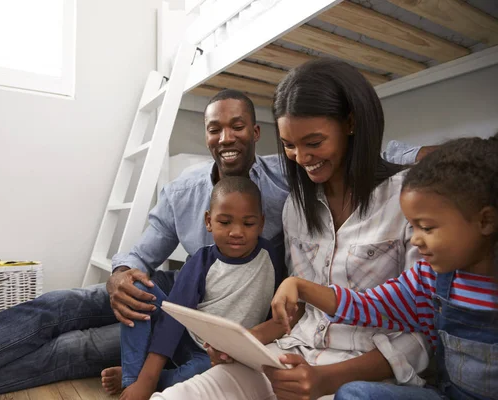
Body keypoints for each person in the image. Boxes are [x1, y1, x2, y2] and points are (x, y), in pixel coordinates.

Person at [0, 89, 422, 400]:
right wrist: (122, 276)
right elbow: (141, 253)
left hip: (223, 325)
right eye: (215, 128)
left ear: (256, 133)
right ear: (207, 134)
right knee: (56, 306)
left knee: (74, 351)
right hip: (167, 297)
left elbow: (368, 157)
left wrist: (442, 155)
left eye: (237, 126)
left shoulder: (293, 184)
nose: (226, 137)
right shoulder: (185, 189)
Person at [151, 59, 432, 400]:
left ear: (351, 123)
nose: (301, 157)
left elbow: (424, 332)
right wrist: (243, 342)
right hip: (288, 356)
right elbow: (295, 310)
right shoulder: (296, 206)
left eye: (313, 142)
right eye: (289, 145)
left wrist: (327, 379)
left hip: (364, 377)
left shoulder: (407, 199)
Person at [272, 135, 498, 400]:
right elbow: (365, 306)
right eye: (412, 227)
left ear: (485, 221)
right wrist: (300, 287)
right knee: (355, 394)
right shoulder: (428, 280)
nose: (415, 239)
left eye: (427, 228)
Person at [106, 176, 285, 400]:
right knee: (138, 287)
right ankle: (134, 379)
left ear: (261, 222)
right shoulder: (202, 261)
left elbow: (275, 307)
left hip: (214, 355)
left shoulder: (272, 257)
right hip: (185, 336)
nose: (237, 232)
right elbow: (173, 320)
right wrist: (144, 382)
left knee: (205, 375)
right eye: (225, 222)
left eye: (248, 223)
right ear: (209, 221)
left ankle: (155, 378)